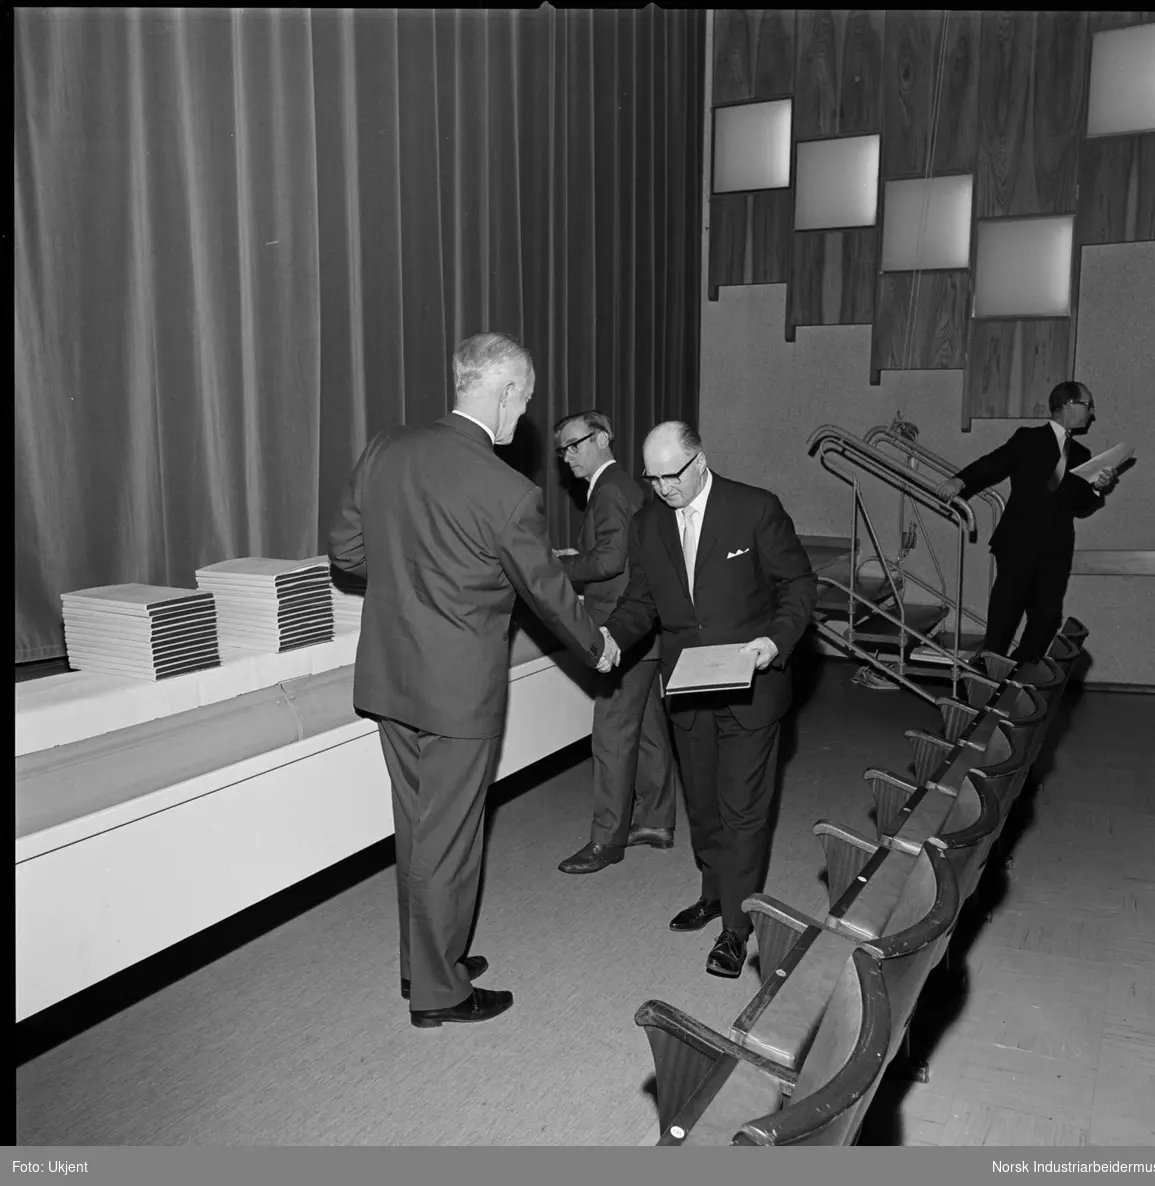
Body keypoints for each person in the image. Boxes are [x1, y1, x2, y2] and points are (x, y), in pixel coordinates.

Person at [327, 332, 618, 1029]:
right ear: (506, 390)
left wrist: (412, 575)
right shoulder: (507, 492)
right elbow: (547, 589)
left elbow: (346, 552)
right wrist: (597, 647)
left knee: (418, 829)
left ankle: (421, 962)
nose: (525, 416)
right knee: (451, 838)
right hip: (456, 690)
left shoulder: (385, 448)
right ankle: (440, 993)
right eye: (525, 400)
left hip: (390, 677)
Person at [600, 422, 818, 979]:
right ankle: (714, 891)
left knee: (743, 808)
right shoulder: (648, 523)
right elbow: (640, 602)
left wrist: (775, 640)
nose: (661, 488)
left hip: (753, 683)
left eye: (671, 476)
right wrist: (610, 639)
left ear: (700, 462)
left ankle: (736, 928)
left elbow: (798, 586)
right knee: (702, 803)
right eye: (652, 478)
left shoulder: (754, 508)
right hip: (688, 687)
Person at [550, 410, 683, 876]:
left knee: (610, 736)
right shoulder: (627, 486)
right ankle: (656, 821)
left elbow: (608, 561)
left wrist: (554, 570)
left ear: (603, 438)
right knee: (647, 729)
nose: (567, 456)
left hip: (619, 633)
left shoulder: (608, 490)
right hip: (645, 630)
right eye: (562, 449)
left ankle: (606, 840)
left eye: (575, 444)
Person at [936, 381, 1117, 664]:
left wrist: (1097, 488)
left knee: (1047, 617)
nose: (1092, 413)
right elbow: (993, 463)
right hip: (1018, 541)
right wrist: (960, 480)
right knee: (1006, 613)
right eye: (1088, 405)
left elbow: (1081, 506)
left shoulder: (1082, 455)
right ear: (1069, 404)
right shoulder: (1029, 438)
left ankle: (1018, 672)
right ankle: (987, 674)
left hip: (1056, 548)